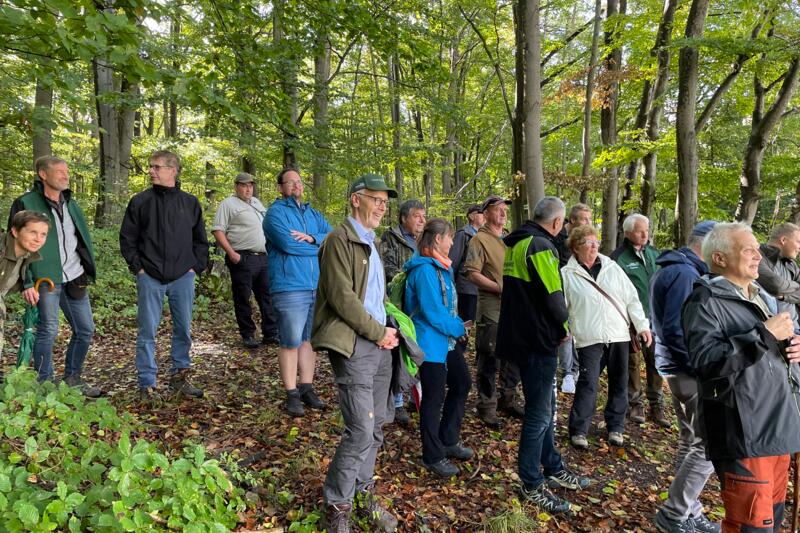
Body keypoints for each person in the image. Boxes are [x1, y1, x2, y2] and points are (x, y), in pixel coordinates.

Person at [683, 222, 800, 533]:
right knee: (751, 527)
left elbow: (768, 354)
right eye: (748, 250)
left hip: (778, 428)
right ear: (720, 258)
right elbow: (707, 363)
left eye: (757, 249)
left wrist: (792, 346)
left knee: (772, 522)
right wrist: (764, 335)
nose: (758, 256)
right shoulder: (705, 301)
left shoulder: (760, 296)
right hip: (746, 432)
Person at [312, 173, 399, 533]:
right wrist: (377, 332)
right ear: (355, 199)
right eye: (376, 199)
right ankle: (337, 508)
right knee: (361, 429)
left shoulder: (372, 243)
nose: (382, 207)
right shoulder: (338, 240)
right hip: (355, 344)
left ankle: (363, 497)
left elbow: (376, 298)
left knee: (375, 427)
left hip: (379, 345)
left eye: (385, 202)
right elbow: (342, 297)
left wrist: (390, 329)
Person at [496, 196, 590, 514]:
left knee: (546, 407)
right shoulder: (539, 246)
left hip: (520, 337)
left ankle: (552, 466)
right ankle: (531, 482)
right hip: (536, 341)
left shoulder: (517, 243)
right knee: (539, 413)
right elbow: (552, 294)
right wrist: (563, 326)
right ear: (557, 222)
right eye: (563, 223)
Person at [120, 150, 209, 402]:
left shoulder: (189, 203)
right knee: (147, 331)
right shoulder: (140, 201)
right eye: (150, 166)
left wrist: (195, 268)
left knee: (183, 328)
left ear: (173, 170)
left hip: (183, 276)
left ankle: (179, 377)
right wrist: (139, 268)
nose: (151, 171)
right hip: (150, 275)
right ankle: (147, 384)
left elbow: (200, 241)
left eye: (157, 167)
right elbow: (127, 239)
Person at [650, 220, 720, 533]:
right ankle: (676, 512)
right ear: (705, 243)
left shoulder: (676, 268)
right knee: (707, 443)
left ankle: (689, 510)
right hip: (685, 369)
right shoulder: (684, 273)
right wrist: (699, 366)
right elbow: (675, 329)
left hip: (674, 366)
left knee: (690, 440)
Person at [9, 156, 100, 397]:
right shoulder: (26, 203)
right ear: (43, 174)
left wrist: (86, 269)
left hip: (75, 276)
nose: (65, 175)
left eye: (66, 171)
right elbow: (15, 245)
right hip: (44, 278)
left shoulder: (71, 203)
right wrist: (26, 282)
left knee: (85, 329)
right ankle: (44, 383)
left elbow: (79, 239)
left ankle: (72, 378)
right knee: (48, 330)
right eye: (59, 171)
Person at [562, 225, 652, 449]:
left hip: (618, 334)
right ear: (575, 247)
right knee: (588, 383)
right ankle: (579, 430)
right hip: (589, 337)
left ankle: (616, 427)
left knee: (620, 382)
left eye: (596, 242)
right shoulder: (566, 274)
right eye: (588, 242)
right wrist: (562, 329)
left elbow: (632, 299)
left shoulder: (612, 268)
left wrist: (642, 326)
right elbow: (562, 306)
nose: (594, 246)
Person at [403, 218, 472, 478]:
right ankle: (432, 455)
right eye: (449, 237)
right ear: (438, 239)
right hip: (429, 343)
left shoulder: (442, 267)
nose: (452, 242)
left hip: (446, 341)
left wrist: (457, 326)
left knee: (462, 383)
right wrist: (458, 328)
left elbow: (446, 308)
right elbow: (432, 312)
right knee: (433, 399)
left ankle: (448, 439)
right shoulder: (424, 270)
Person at [263, 168, 332, 417]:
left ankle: (306, 387)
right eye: (290, 182)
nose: (295, 185)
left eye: (299, 181)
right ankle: (291, 394)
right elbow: (288, 245)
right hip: (289, 286)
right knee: (290, 340)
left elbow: (332, 237)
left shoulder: (313, 214)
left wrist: (312, 238)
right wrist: (317, 247)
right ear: (280, 187)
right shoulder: (275, 214)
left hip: (316, 286)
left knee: (308, 340)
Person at [463, 195, 522, 426]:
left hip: (513, 309)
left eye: (505, 209)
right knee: (489, 357)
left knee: (513, 356)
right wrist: (498, 287)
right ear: (485, 213)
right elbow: (472, 273)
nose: (503, 213)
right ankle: (486, 406)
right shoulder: (479, 240)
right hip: (491, 308)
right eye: (498, 209)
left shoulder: (509, 238)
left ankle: (508, 398)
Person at [610, 213, 668, 427]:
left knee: (656, 361)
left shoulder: (655, 254)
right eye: (639, 231)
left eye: (647, 229)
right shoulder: (617, 258)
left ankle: (657, 404)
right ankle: (635, 403)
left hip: (656, 319)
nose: (645, 234)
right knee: (632, 363)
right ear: (627, 233)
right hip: (629, 321)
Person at [211, 172, 278, 349]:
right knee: (243, 297)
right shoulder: (228, 204)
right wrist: (232, 254)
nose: (248, 189)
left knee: (267, 295)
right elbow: (218, 230)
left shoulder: (256, 203)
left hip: (263, 257)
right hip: (243, 257)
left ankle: (270, 332)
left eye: (250, 185)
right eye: (244, 185)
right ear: (236, 186)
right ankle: (248, 334)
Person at [379, 198, 426, 425]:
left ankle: (413, 397)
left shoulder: (423, 240)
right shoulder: (390, 237)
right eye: (417, 216)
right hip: (397, 304)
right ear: (404, 217)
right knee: (398, 352)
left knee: (415, 350)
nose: (422, 221)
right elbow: (385, 267)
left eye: (424, 216)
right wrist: (407, 279)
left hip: (417, 304)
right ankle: (396, 402)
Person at [0, 211, 49, 374]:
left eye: (43, 234)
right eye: (32, 232)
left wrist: (25, 285)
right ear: (15, 231)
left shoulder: (26, 254)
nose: (38, 239)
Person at [554, 203, 593, 394]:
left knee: (577, 329)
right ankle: (567, 373)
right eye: (584, 219)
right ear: (572, 220)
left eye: (589, 219)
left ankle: (575, 370)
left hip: (579, 289)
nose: (588, 223)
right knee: (566, 330)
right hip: (559, 289)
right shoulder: (557, 237)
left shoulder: (585, 239)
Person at [757, 222, 800, 332]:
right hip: (771, 330)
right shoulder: (758, 256)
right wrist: (796, 286)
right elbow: (777, 286)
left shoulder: (791, 264)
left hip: (795, 329)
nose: (799, 248)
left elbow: (779, 289)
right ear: (783, 240)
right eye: (798, 242)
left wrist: (783, 296)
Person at [448, 204, 484, 322]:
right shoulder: (463, 234)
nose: (484, 215)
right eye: (481, 213)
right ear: (472, 216)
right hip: (467, 289)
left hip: (481, 288)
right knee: (467, 322)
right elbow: (453, 262)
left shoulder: (484, 235)